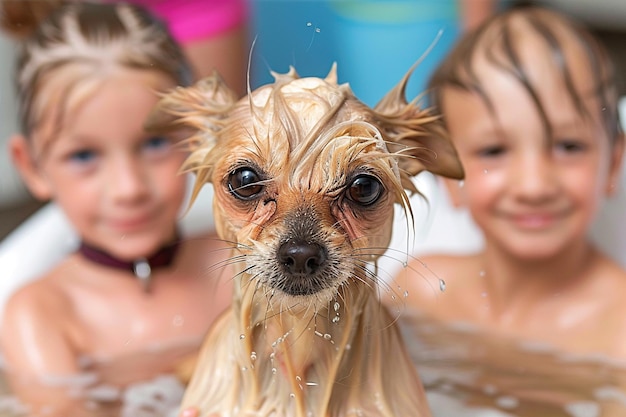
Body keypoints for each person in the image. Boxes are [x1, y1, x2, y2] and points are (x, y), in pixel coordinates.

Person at [0, 2, 232, 416]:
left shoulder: (236, 265)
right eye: (84, 155)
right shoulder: (43, 317)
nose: (128, 189)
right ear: (31, 166)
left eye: (155, 144)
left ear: (195, 139)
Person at [398, 5, 626, 359]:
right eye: (493, 151)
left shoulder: (618, 329)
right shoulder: (419, 294)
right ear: (449, 175)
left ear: (613, 165)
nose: (533, 187)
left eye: (569, 146)